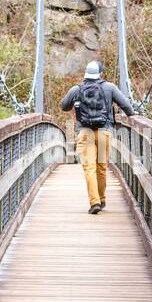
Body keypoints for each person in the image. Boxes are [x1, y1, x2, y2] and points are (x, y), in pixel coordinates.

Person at [60, 60, 134, 213]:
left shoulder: (77, 89)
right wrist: (133, 115)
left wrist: (76, 101)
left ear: (86, 74)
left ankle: (95, 203)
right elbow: (126, 106)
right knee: (101, 167)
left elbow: (64, 106)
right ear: (100, 74)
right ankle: (102, 199)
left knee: (89, 168)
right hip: (104, 131)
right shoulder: (109, 87)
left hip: (85, 132)